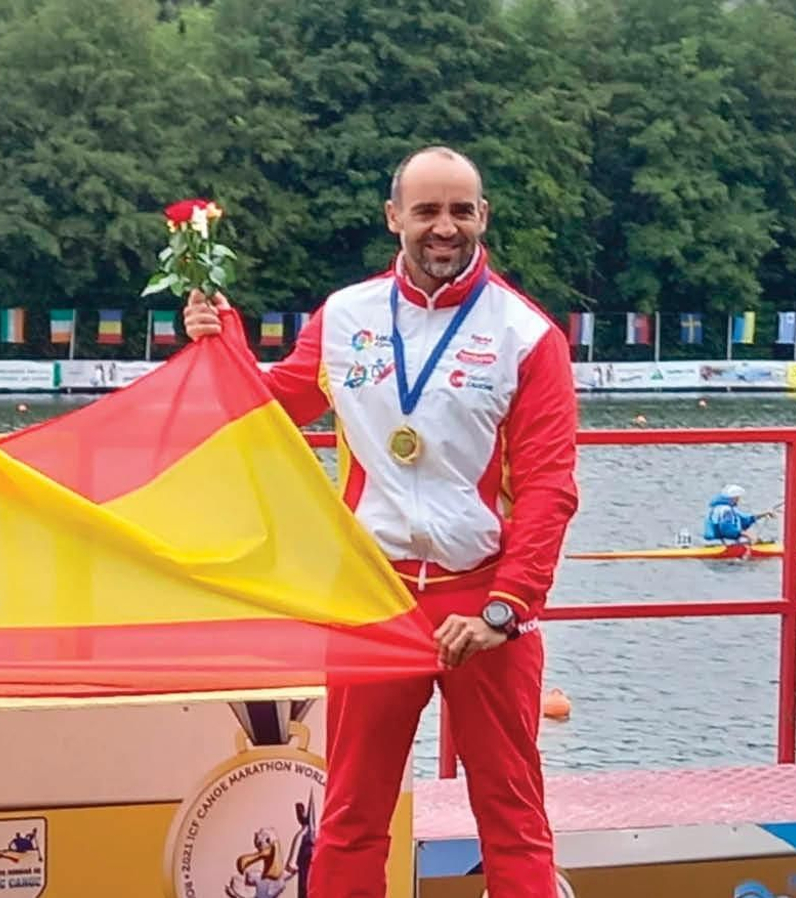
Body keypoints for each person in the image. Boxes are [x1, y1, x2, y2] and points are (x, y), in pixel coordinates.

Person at [184, 145, 579, 897]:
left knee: (512, 815)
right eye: (427, 210)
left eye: (461, 211)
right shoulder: (346, 316)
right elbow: (270, 410)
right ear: (393, 217)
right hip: (373, 596)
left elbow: (549, 488)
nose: (444, 228)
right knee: (351, 815)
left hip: (482, 597)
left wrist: (507, 608)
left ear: (483, 217)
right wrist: (219, 341)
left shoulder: (527, 337)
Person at [704, 484, 772, 544]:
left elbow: (745, 519)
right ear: (733, 498)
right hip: (723, 543)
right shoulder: (726, 510)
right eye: (737, 498)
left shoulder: (725, 508)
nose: (738, 500)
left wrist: (764, 514)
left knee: (751, 538)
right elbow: (726, 529)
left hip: (723, 541)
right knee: (747, 538)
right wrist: (746, 534)